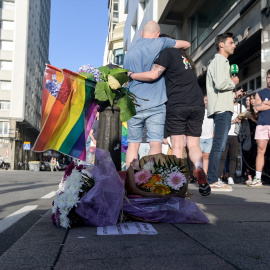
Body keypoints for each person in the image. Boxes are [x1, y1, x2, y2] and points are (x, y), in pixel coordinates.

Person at [127, 34, 211, 196]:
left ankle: (178, 187)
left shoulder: (166, 53)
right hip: (197, 103)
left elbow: (153, 75)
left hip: (178, 104)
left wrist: (131, 75)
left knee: (178, 146)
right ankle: (199, 169)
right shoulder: (184, 56)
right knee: (194, 145)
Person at [123, 21, 190, 168]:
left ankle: (130, 179)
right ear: (157, 34)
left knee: (133, 145)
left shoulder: (129, 52)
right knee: (155, 143)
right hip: (156, 104)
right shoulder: (160, 42)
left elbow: (126, 77)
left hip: (133, 104)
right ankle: (150, 180)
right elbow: (186, 44)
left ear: (142, 34)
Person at [206, 32, 243, 191]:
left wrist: (233, 94)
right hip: (222, 109)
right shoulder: (220, 61)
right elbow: (221, 84)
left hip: (221, 107)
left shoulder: (219, 61)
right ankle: (212, 179)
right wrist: (233, 82)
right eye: (231, 42)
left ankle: (213, 179)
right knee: (219, 146)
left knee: (219, 145)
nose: (234, 45)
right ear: (222, 44)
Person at [248, 70, 270, 187]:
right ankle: (257, 178)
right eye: (268, 77)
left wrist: (265, 104)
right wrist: (263, 105)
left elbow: (261, 106)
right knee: (260, 151)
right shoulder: (260, 93)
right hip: (262, 124)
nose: (269, 79)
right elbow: (257, 107)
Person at [218, 100, 246, 185]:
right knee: (222, 157)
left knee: (233, 157)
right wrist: (234, 120)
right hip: (225, 134)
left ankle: (231, 177)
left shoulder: (241, 107)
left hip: (236, 134)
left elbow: (246, 116)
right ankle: (219, 177)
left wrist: (243, 118)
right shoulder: (225, 106)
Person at [200, 96, 214, 175]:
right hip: (200, 136)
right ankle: (197, 175)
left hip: (209, 137)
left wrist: (214, 132)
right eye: (205, 100)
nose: (207, 102)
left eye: (208, 101)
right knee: (198, 157)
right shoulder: (200, 110)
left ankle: (204, 175)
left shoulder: (212, 111)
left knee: (206, 156)